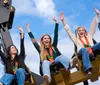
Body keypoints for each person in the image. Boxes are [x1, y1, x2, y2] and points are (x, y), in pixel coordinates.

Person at [26, 17, 70, 84]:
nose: (46, 39)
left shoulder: (53, 46)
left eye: (48, 38)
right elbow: (34, 42)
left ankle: (69, 65)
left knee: (60, 57)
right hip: (48, 64)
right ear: (42, 41)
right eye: (45, 38)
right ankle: (47, 78)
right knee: (45, 62)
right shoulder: (40, 49)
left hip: (56, 61)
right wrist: (28, 30)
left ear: (50, 40)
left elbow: (56, 35)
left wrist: (57, 23)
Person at [60, 8, 100, 75]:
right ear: (78, 32)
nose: (81, 31)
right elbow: (69, 31)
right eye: (79, 30)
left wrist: (97, 15)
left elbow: (93, 26)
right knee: (84, 49)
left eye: (82, 30)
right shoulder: (76, 40)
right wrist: (63, 21)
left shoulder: (89, 36)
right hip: (82, 53)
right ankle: (87, 69)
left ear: (85, 31)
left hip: (91, 51)